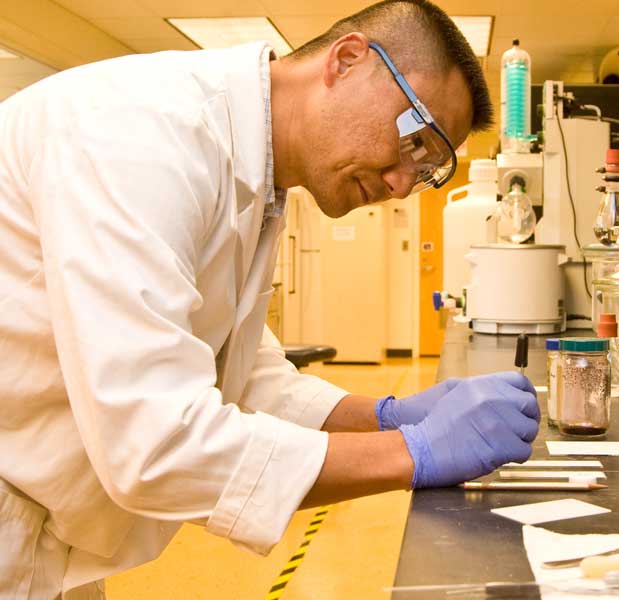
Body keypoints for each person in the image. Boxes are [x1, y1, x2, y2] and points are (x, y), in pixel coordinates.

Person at [0, 0, 539, 597]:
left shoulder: (255, 176)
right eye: (416, 140)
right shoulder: (136, 133)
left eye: (431, 168)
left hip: (50, 531)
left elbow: (240, 370)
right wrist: (413, 452)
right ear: (348, 59)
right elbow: (153, 442)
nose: (403, 185)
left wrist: (381, 417)